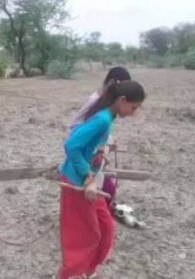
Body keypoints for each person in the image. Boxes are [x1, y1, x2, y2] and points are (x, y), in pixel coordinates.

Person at [58, 80, 146, 279]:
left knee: (106, 228)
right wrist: (88, 178)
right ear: (122, 100)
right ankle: (67, 275)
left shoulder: (109, 117)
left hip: (91, 180)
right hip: (76, 181)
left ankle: (89, 270)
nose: (133, 113)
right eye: (133, 107)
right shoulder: (102, 120)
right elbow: (72, 146)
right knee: (85, 236)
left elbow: (91, 146)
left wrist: (104, 150)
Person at [69, 66, 132, 209]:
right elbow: (77, 126)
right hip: (85, 150)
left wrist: (107, 143)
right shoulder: (96, 101)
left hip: (93, 149)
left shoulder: (106, 103)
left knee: (104, 183)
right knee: (97, 186)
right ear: (112, 83)